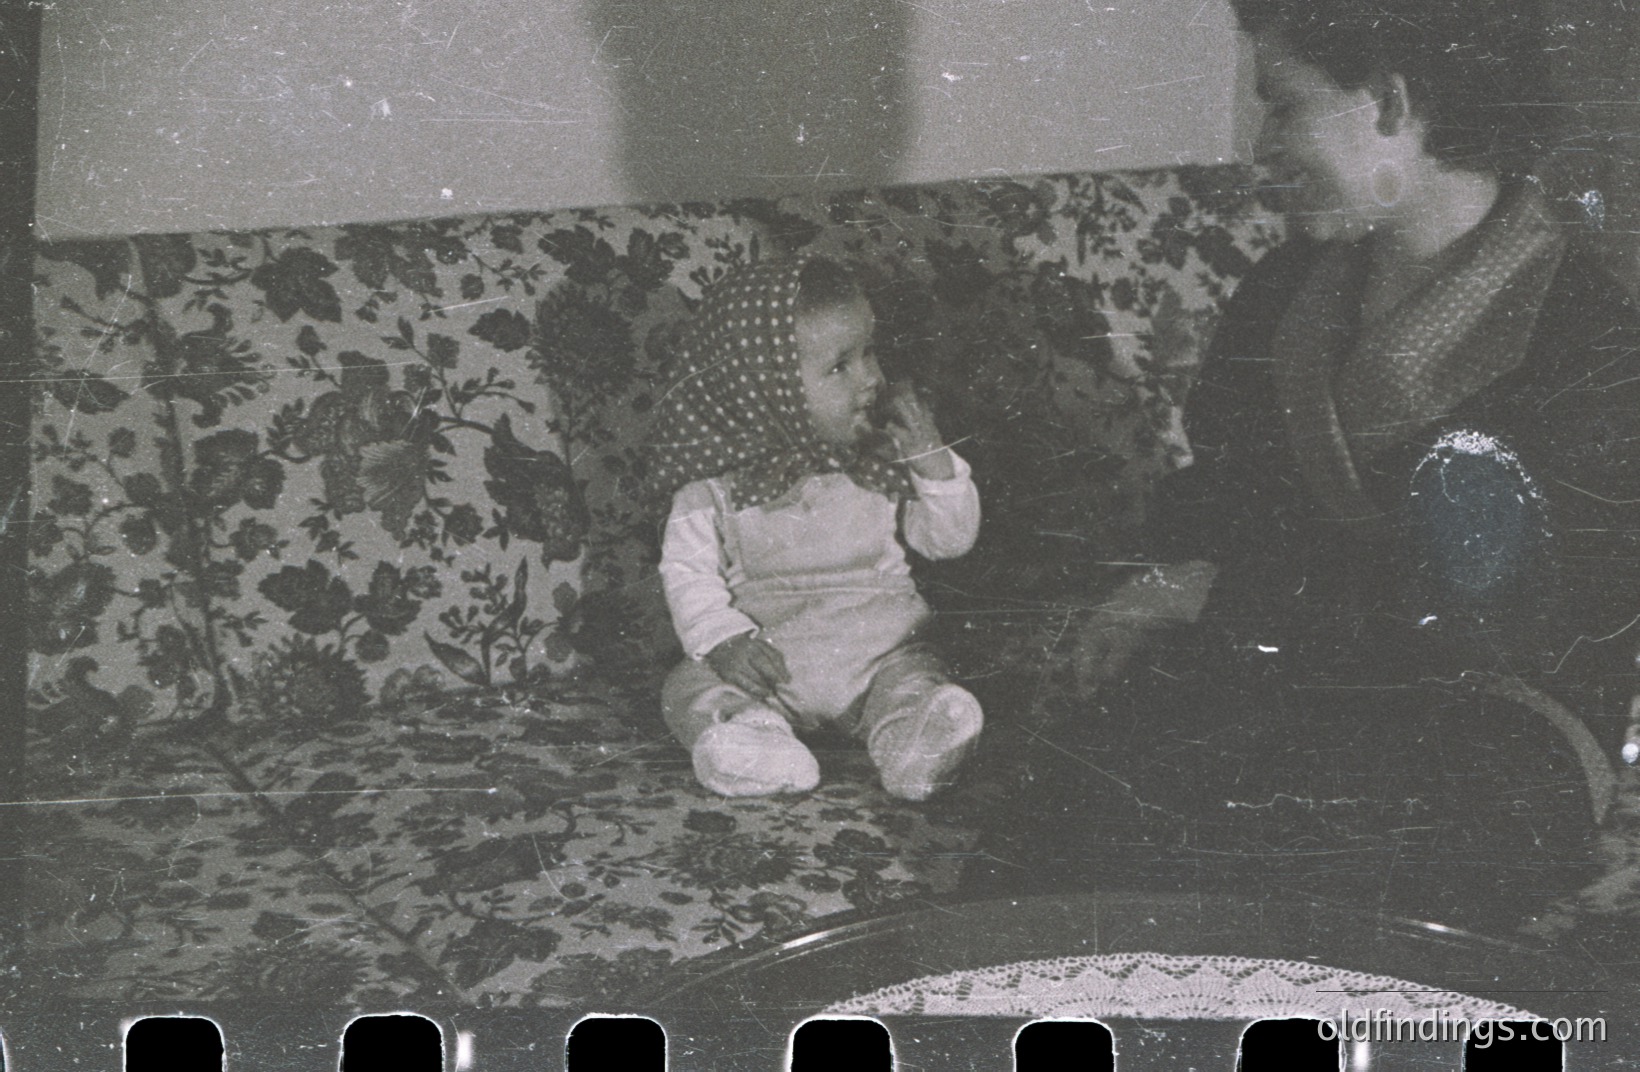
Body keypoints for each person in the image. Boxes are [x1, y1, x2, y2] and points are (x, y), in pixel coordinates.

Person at [974, 0, 1640, 928]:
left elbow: (1490, 622)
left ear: (1394, 105)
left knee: (1284, 858)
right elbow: (1220, 493)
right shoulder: (1286, 292)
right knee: (1083, 810)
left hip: (1487, 721)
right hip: (1292, 669)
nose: (1261, 147)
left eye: (1284, 106)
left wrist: (1220, 590)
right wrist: (1177, 573)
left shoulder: (1589, 337)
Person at [647, 256, 984, 800]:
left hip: (879, 654)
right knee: (686, 687)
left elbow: (948, 541)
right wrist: (723, 640)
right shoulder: (710, 488)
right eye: (840, 366)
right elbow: (687, 574)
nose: (871, 378)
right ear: (765, 385)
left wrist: (933, 463)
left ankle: (912, 744)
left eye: (869, 353)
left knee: (917, 679)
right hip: (766, 665)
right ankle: (755, 740)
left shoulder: (880, 456)